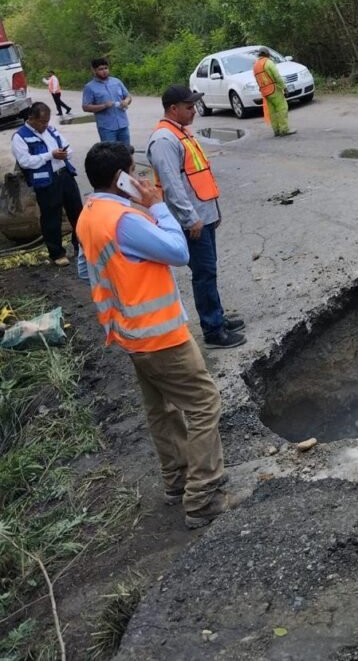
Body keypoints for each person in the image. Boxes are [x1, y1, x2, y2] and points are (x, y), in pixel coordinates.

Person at [76, 141, 230, 529]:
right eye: (135, 172)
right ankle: (202, 496)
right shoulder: (126, 220)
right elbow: (179, 251)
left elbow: (86, 270)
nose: (142, 179)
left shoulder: (90, 214)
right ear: (120, 179)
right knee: (203, 404)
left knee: (161, 409)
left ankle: (177, 482)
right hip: (161, 337)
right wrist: (156, 206)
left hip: (130, 334)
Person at [146, 85, 246, 350]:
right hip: (193, 221)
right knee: (204, 273)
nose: (193, 112)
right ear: (173, 109)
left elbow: (198, 176)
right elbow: (172, 186)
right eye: (189, 108)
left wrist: (214, 211)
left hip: (205, 214)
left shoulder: (181, 133)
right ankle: (213, 330)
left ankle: (218, 318)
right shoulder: (164, 141)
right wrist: (191, 219)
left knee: (209, 270)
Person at [11, 101, 83, 266]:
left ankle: (80, 245)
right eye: (42, 122)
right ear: (31, 119)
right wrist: (49, 155)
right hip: (46, 181)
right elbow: (25, 162)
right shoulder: (20, 137)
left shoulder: (51, 130)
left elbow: (67, 147)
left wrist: (65, 153)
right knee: (52, 216)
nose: (45, 125)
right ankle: (57, 253)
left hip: (65, 174)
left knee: (77, 212)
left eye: (47, 121)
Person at [82, 58, 132, 144]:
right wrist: (104, 106)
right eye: (100, 69)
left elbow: (128, 96)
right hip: (107, 128)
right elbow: (86, 107)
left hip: (122, 124)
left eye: (106, 68)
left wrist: (126, 102)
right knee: (110, 154)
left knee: (127, 151)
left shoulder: (116, 82)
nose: (104, 71)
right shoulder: (90, 87)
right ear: (94, 70)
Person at [253, 48, 296, 136]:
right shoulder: (268, 63)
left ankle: (276, 130)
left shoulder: (255, 66)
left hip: (265, 92)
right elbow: (277, 77)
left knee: (272, 112)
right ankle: (284, 129)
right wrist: (284, 87)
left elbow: (257, 80)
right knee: (282, 108)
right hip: (274, 89)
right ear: (267, 54)